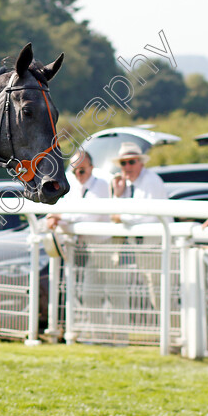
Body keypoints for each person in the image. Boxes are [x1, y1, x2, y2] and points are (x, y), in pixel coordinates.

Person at [44, 151, 110, 338]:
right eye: (75, 172)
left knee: (108, 294)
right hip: (81, 248)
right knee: (85, 294)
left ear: (91, 168)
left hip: (102, 247)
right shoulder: (72, 185)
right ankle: (97, 335)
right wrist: (53, 216)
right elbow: (65, 210)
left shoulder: (101, 185)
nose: (78, 175)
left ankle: (113, 337)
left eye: (82, 171)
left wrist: (60, 217)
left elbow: (91, 214)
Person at [109, 141, 169, 318]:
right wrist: (118, 195)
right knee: (156, 294)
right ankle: (172, 336)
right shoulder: (127, 186)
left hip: (157, 246)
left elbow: (148, 216)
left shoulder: (150, 181)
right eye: (123, 163)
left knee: (160, 294)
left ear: (141, 163)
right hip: (143, 247)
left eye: (131, 162)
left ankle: (175, 336)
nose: (127, 166)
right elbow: (117, 214)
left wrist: (121, 217)